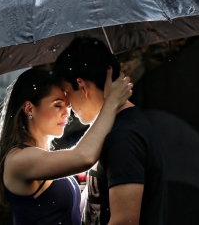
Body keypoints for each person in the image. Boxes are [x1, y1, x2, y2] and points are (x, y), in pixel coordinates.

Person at [0, 66, 133, 225]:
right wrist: (111, 101)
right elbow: (84, 156)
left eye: (68, 106)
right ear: (29, 108)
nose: (67, 113)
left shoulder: (45, 158)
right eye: (58, 105)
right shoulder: (19, 159)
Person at [53, 37, 167, 225]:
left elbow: (125, 221)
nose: (67, 104)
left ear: (82, 86)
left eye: (67, 93)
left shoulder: (123, 136)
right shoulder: (114, 129)